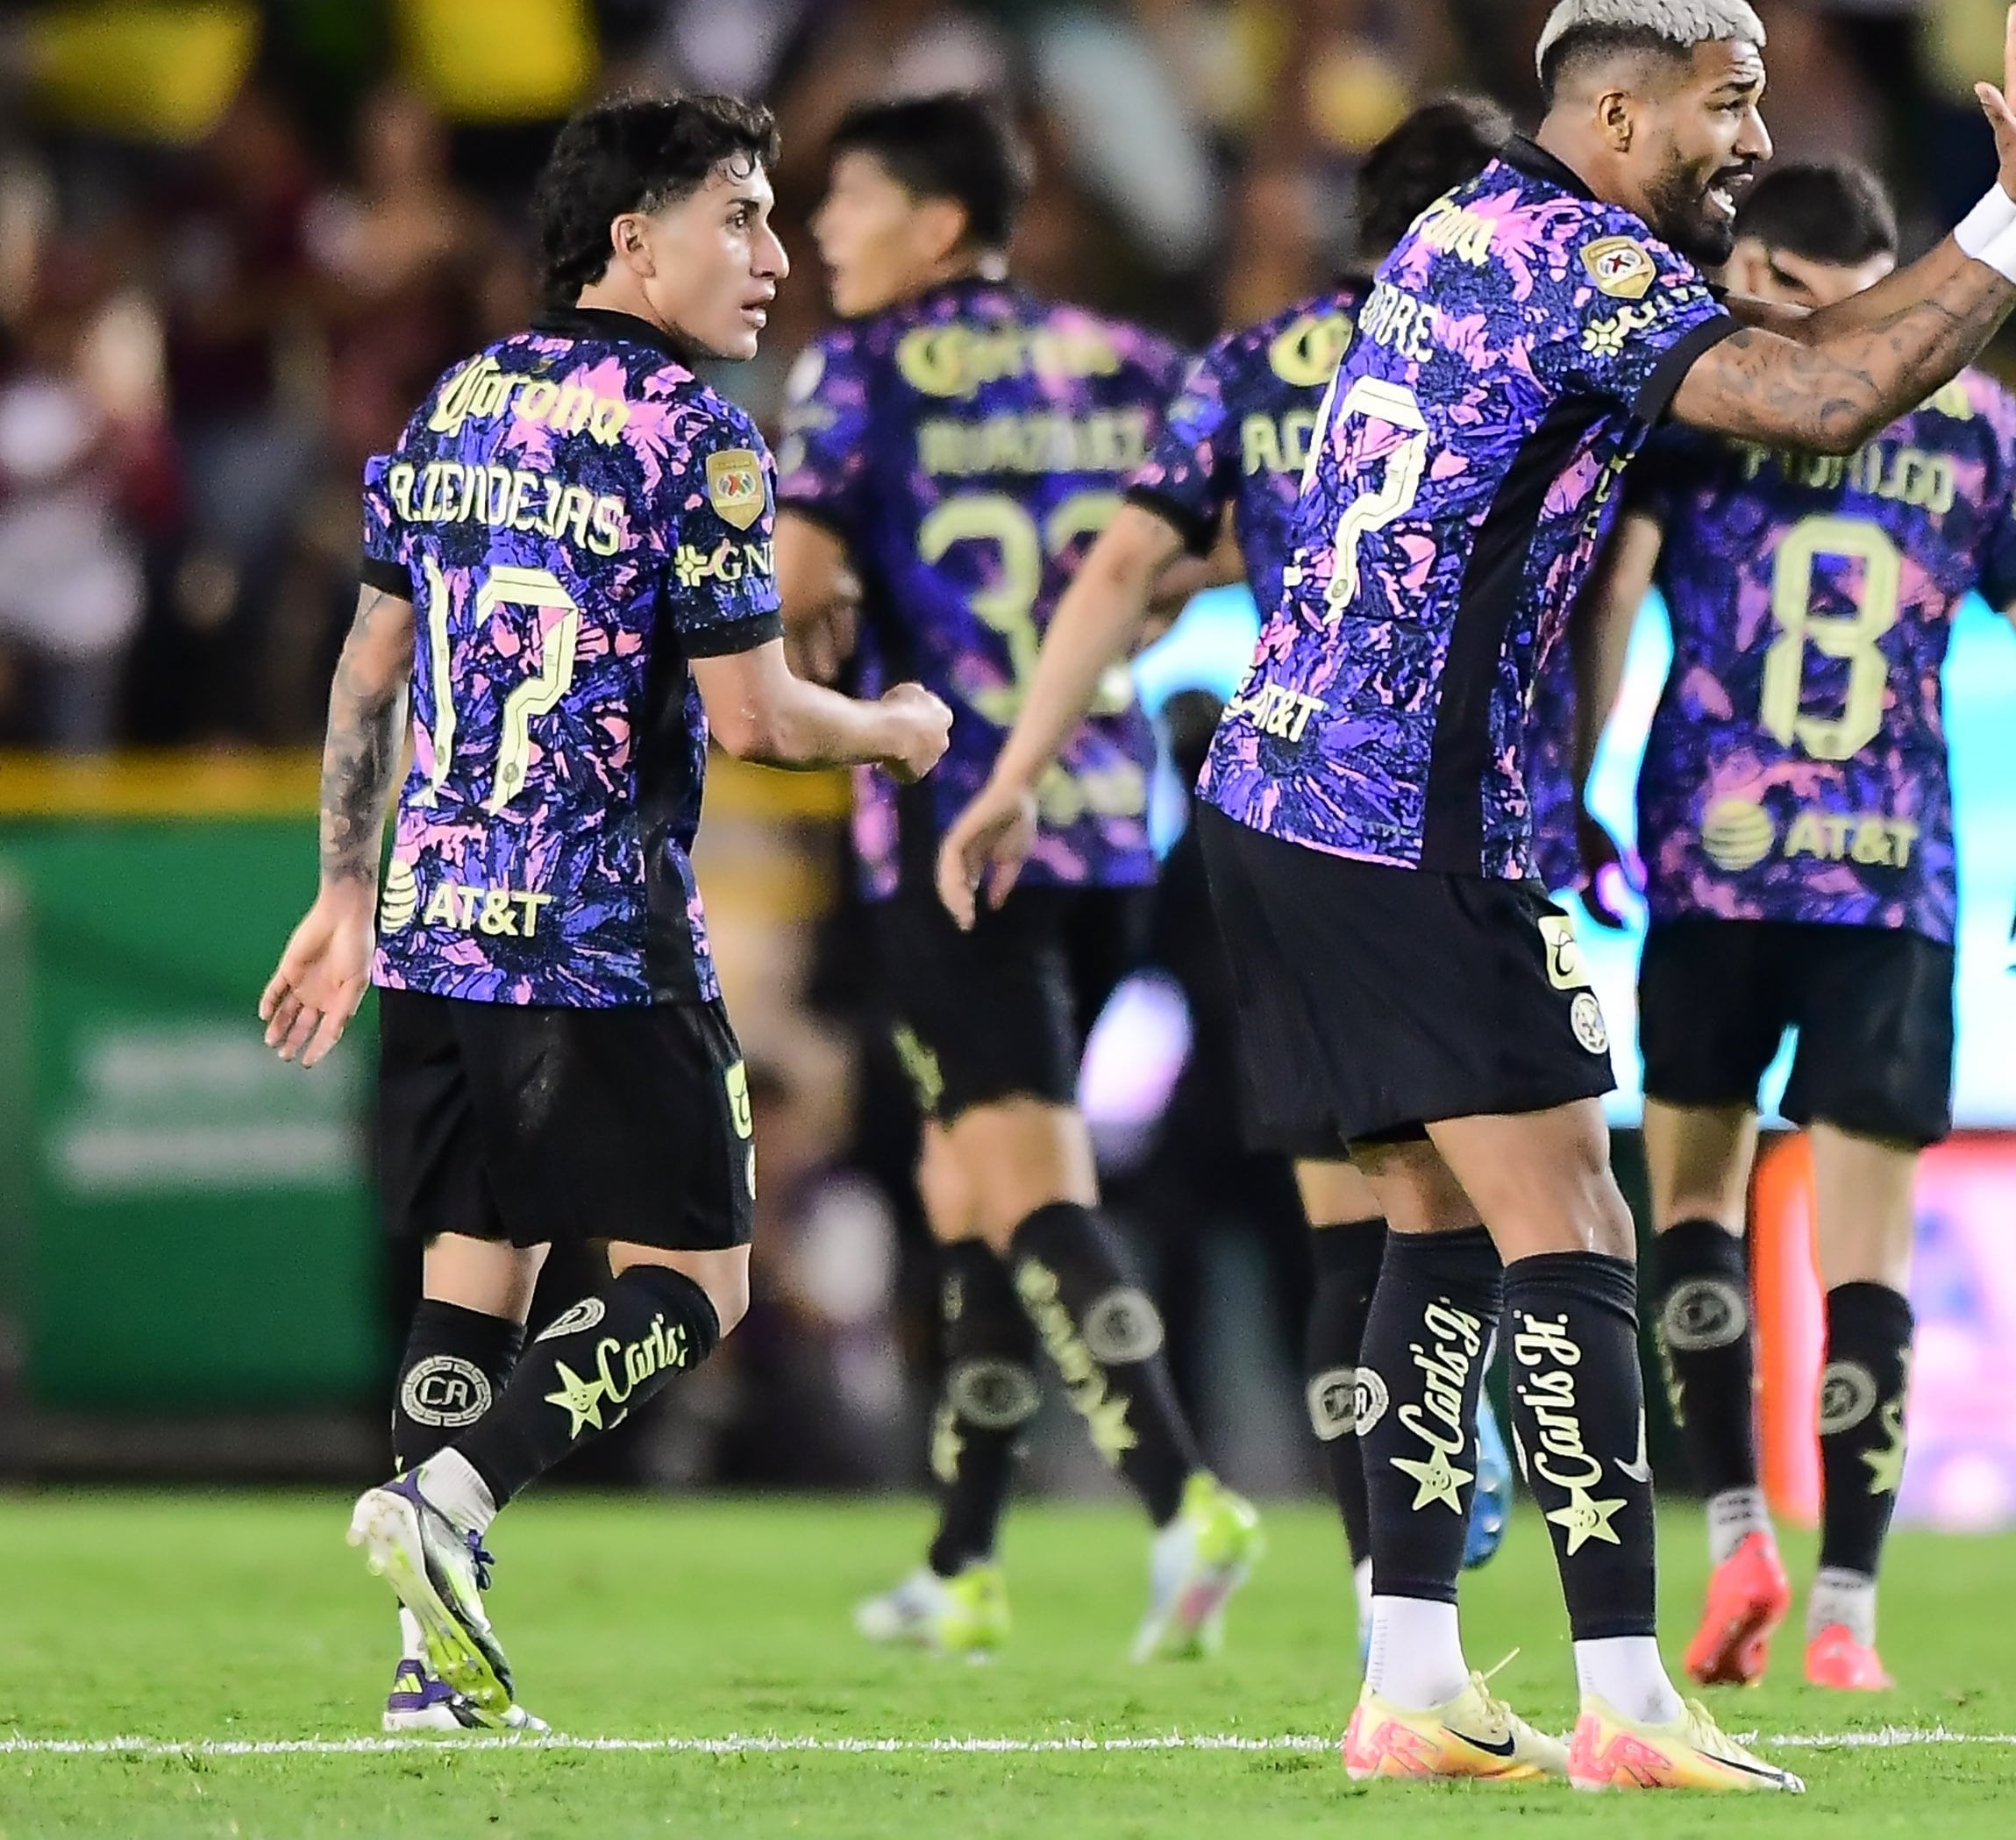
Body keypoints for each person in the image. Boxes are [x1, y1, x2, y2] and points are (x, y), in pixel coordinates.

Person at [1171, 0, 2016, 1791]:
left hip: (1286, 790)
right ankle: (1628, 1699)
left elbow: (1813, 349)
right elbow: (1825, 396)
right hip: (1399, 812)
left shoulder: (1473, 235)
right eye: (1723, 104)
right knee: (1572, 1221)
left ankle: (1408, 1676)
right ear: (1614, 114)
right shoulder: (1581, 267)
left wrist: (1969, 238)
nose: (1751, 143)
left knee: (1433, 1218)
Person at [259, 94, 953, 1733]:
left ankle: (428, 1669)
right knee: (698, 1285)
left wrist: (344, 891)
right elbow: (763, 716)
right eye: (743, 216)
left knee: (470, 1279)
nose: (774, 257)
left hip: (435, 923)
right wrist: (898, 731)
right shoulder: (691, 435)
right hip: (598, 934)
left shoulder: (458, 400)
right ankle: (463, 1499)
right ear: (634, 239)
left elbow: (370, 671)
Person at [936, 96, 1530, 1644]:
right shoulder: (1529, 333)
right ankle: (1488, 1470)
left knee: (1355, 1215)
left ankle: (1379, 1586)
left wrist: (1015, 770)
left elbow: (1131, 563)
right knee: (1528, 1200)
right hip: (1473, 814)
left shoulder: (1257, 368)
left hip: (1299, 819)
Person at [1576, 158, 2016, 1695]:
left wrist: (1586, 784)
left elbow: (1612, 604)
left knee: (1692, 1208)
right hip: (1896, 881)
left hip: (1709, 861)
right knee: (1870, 1259)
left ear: (1791, 273)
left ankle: (1735, 1526)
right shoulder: (1985, 421)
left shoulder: (1710, 403)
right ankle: (1849, 1613)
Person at [766, 93, 1264, 1664]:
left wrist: (809, 615)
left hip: (954, 823)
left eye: (845, 203)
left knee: (1024, 1176)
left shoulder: (854, 374)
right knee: (968, 1185)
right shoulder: (1126, 365)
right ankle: (965, 1556)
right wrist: (1126, 611)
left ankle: (1186, 1500)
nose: (821, 236)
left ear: (934, 220)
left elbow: (796, 583)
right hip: (1117, 816)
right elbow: (1248, 533)